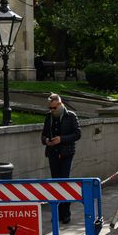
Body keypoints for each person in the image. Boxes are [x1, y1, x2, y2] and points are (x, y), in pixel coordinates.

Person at [41, 93, 81, 224]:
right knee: (55, 182)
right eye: (50, 108)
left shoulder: (71, 116)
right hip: (53, 153)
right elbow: (43, 135)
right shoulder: (48, 117)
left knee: (64, 182)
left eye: (54, 108)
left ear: (60, 104)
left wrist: (61, 139)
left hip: (66, 153)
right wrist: (47, 140)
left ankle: (66, 213)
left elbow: (77, 134)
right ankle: (57, 213)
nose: (52, 110)